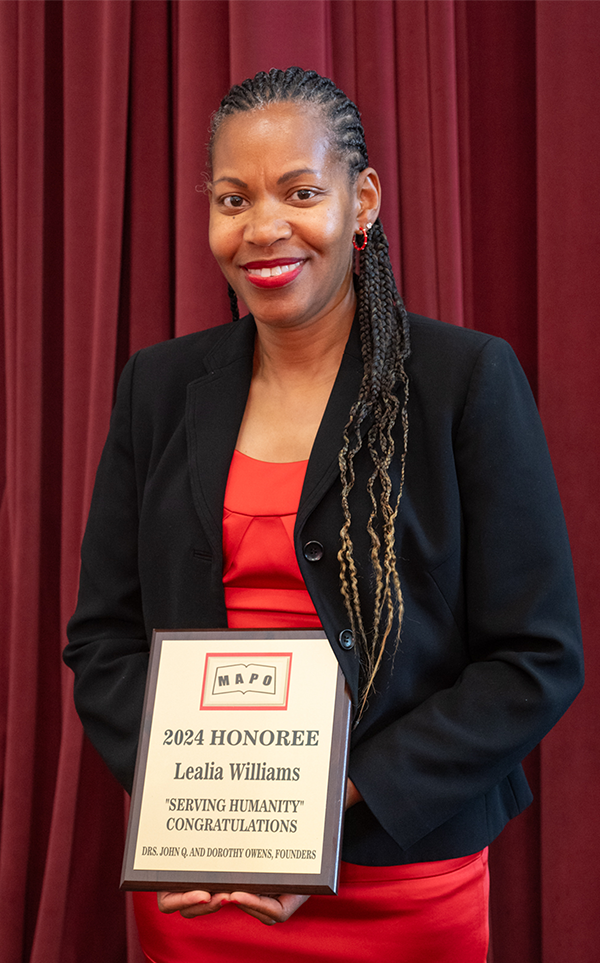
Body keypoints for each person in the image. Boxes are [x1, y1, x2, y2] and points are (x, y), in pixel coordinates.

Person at [64, 67, 583, 963]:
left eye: (300, 192)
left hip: (402, 870)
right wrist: (183, 798)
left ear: (363, 199)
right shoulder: (158, 387)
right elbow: (102, 640)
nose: (264, 227)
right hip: (206, 881)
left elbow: (535, 659)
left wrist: (334, 793)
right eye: (234, 198)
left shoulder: (464, 382)